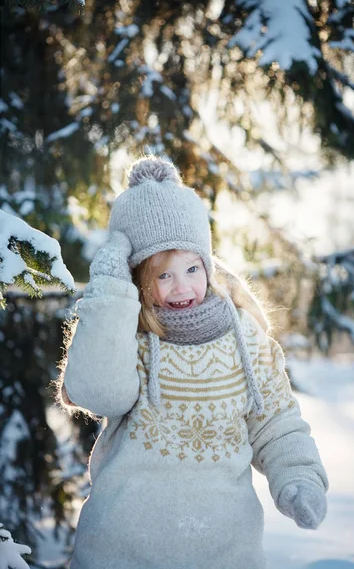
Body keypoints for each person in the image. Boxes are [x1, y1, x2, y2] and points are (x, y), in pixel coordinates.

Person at [59, 155, 328, 569]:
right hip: (121, 548)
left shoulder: (245, 339)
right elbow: (101, 394)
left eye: (192, 267)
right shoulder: (128, 334)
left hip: (224, 549)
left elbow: (276, 421)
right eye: (162, 275)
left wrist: (298, 478)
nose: (182, 286)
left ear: (209, 264)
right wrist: (110, 294)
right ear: (136, 278)